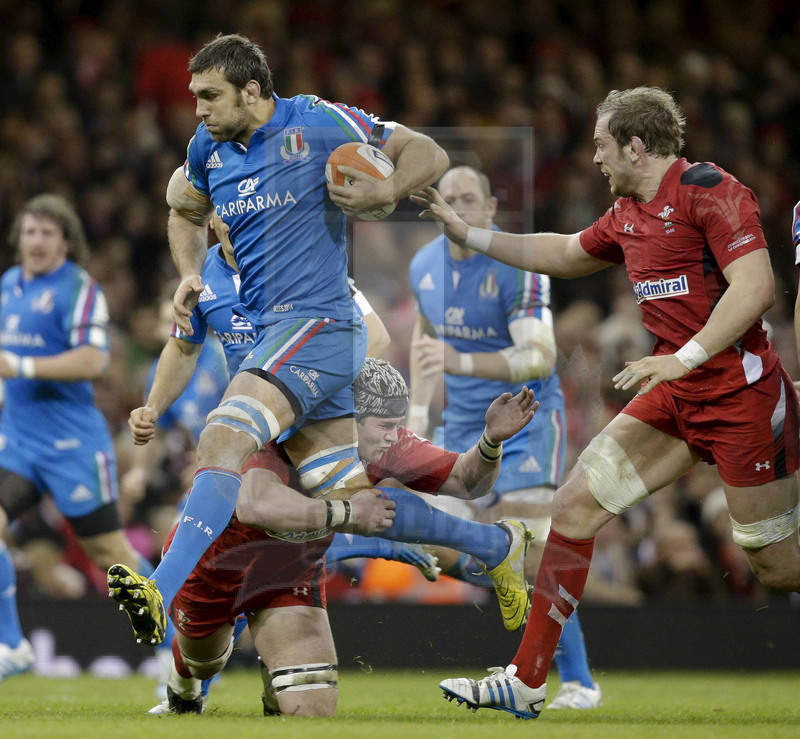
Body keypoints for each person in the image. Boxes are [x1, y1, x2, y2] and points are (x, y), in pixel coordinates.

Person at [412, 86, 800, 719]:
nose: (594, 157)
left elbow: (756, 288)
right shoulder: (626, 214)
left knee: (776, 566)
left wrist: (684, 357)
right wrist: (473, 235)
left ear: (635, 145)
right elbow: (563, 254)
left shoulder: (713, 189)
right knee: (574, 507)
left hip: (743, 397)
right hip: (674, 394)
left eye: (601, 143)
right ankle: (528, 679)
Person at [107, 32, 449, 646]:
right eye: (194, 97)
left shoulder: (317, 121)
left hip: (314, 339)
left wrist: (389, 190)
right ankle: (493, 547)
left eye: (210, 96)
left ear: (253, 91)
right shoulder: (206, 149)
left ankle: (160, 592)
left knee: (229, 441)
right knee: (326, 493)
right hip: (274, 362)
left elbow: (424, 151)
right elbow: (181, 210)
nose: (199, 110)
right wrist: (188, 273)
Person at [131, 217, 532, 634]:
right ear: (215, 217)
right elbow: (182, 345)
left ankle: (165, 596)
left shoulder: (302, 261)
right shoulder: (203, 278)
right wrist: (153, 407)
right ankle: (489, 545)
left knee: (288, 503)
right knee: (298, 508)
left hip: (326, 407)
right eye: (227, 213)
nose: (236, 221)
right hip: (269, 421)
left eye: (244, 212)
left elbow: (373, 337)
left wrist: (312, 388)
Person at [148, 356, 538, 715]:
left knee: (314, 709)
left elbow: (467, 482)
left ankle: (275, 675)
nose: (393, 436)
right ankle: (183, 684)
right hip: (218, 567)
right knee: (205, 661)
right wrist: (348, 512)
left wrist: (490, 442)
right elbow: (256, 506)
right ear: (348, 418)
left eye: (396, 426)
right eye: (385, 426)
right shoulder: (281, 430)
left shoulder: (389, 445)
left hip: (289, 574)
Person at [407, 165, 600, 710]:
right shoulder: (424, 265)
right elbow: (426, 344)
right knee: (441, 546)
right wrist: (419, 415)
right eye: (449, 198)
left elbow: (538, 356)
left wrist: (459, 358)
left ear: (491, 209)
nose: (459, 207)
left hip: (527, 424)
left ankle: (577, 681)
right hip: (464, 431)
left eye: (470, 198)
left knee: (533, 548)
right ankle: (528, 641)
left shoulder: (519, 268)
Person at [0, 194, 170, 682]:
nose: (36, 241)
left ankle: (173, 643)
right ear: (18, 241)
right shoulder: (9, 285)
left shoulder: (78, 288)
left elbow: (94, 360)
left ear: (65, 242)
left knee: (109, 554)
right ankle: (11, 644)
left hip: (73, 446)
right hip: (18, 443)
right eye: (29, 232)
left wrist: (23, 365)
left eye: (47, 233)